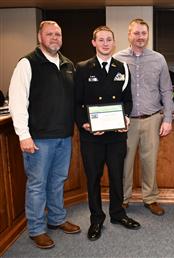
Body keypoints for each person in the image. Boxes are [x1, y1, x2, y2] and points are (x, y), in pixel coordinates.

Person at [8, 21, 81, 249]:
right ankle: (36, 229)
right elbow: (18, 102)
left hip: (63, 136)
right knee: (37, 184)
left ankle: (57, 218)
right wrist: (23, 135)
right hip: (38, 138)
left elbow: (74, 101)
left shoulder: (68, 64)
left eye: (58, 34)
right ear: (40, 37)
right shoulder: (28, 63)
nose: (54, 38)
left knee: (58, 180)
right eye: (49, 34)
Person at [74, 26, 140, 241]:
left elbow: (127, 100)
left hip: (116, 135)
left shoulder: (123, 68)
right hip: (91, 136)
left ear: (114, 42)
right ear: (93, 42)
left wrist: (127, 117)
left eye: (109, 40)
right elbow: (77, 102)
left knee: (116, 176)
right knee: (93, 178)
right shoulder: (83, 68)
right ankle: (96, 218)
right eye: (100, 40)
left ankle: (118, 213)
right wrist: (84, 123)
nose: (105, 43)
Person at [114, 18, 174, 216]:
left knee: (150, 161)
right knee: (125, 162)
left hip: (152, 119)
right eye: (136, 33)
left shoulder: (158, 59)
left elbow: (166, 90)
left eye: (144, 33)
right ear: (129, 35)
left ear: (147, 35)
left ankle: (150, 199)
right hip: (126, 121)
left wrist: (167, 119)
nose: (140, 37)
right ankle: (123, 199)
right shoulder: (118, 58)